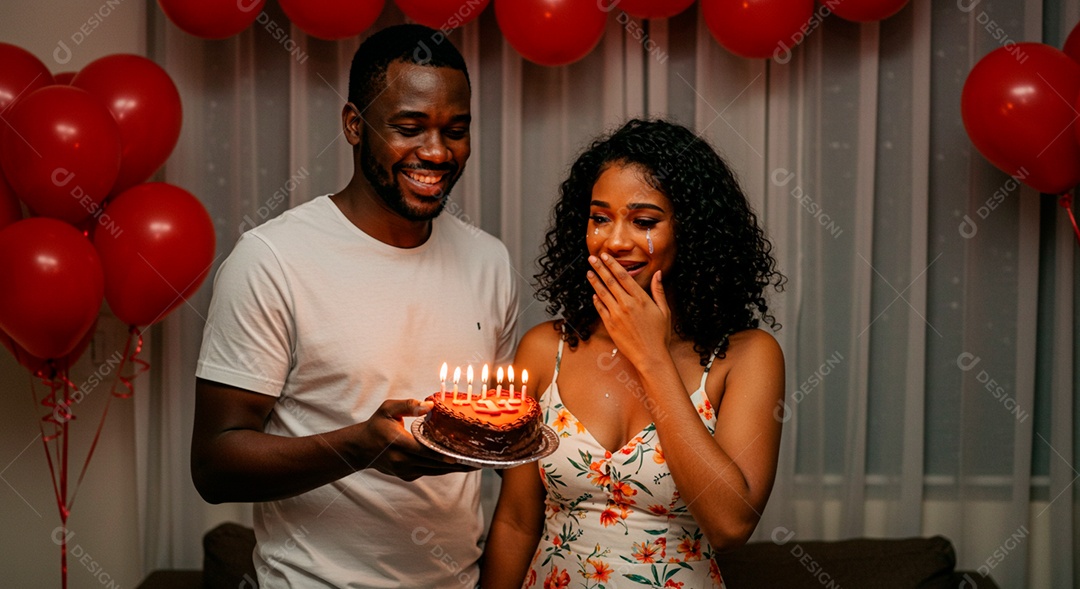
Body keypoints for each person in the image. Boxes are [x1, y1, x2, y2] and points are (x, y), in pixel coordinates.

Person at [191, 24, 519, 588]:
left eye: (456, 130)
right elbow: (215, 465)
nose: (437, 152)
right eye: (409, 127)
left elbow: (497, 436)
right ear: (354, 125)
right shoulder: (272, 259)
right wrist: (358, 447)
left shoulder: (490, 261)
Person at [481, 119, 785, 588]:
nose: (615, 241)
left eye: (644, 221)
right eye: (600, 218)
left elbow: (730, 526)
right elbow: (517, 521)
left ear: (692, 231)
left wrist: (651, 358)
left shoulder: (746, 357)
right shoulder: (546, 350)